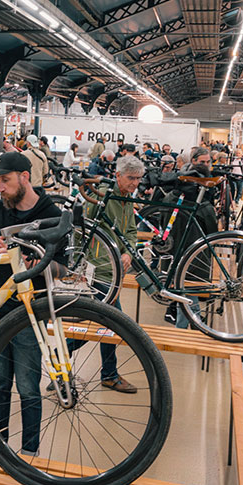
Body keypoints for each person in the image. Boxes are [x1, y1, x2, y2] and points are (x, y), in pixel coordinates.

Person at [0, 151, 61, 456]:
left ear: (25, 177)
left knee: (27, 387)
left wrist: (42, 261)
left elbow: (64, 268)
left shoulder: (53, 213)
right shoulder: (1, 209)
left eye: (5, 180)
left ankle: (29, 451)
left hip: (29, 314)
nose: (0, 188)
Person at [73, 156, 144, 393]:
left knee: (99, 323)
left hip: (115, 270)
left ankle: (60, 364)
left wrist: (128, 253)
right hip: (98, 270)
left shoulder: (126, 200)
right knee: (112, 322)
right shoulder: (102, 196)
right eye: (131, 178)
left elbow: (131, 232)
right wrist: (79, 264)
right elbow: (80, 229)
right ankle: (108, 374)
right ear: (118, 176)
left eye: (138, 179)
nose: (135, 183)